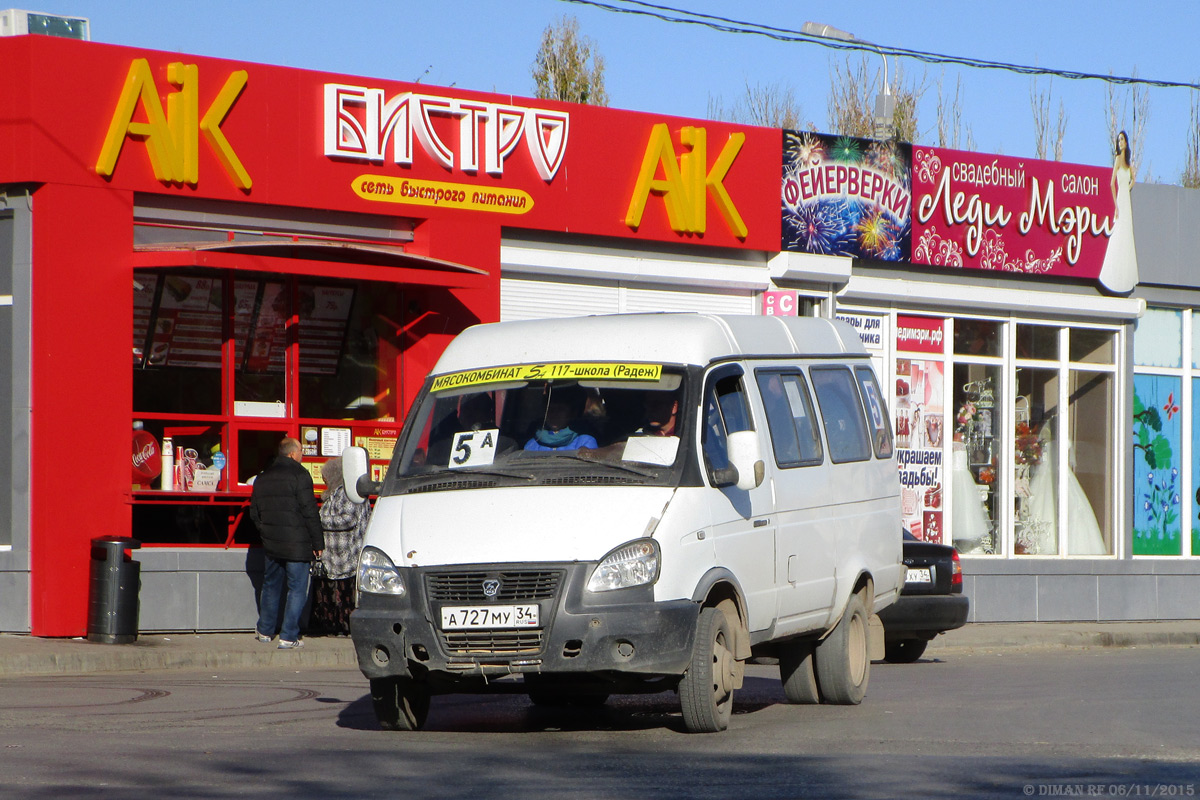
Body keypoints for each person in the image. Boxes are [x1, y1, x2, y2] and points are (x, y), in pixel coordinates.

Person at [250, 437, 324, 649]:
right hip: (297, 544)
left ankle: (265, 631)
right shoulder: (300, 475)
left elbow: (254, 512)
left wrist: (265, 532)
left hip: (272, 544)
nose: (302, 454)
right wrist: (318, 542)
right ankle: (289, 635)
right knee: (297, 588)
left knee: (271, 585)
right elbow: (310, 512)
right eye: (301, 451)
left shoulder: (262, 478)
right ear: (292, 454)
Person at [309, 456, 371, 636]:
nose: (324, 480)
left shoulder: (348, 492)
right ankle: (333, 627)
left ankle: (345, 628)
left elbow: (348, 519)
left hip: (346, 554)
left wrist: (317, 521)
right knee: (331, 593)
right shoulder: (333, 493)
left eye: (326, 475)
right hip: (334, 556)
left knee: (345, 595)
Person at [1097, 129, 1139, 294]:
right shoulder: (1117, 161)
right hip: (1120, 199)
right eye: (1118, 140)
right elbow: (1110, 183)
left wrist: (1128, 188)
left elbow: (1133, 179)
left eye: (1122, 140)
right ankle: (1113, 272)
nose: (1120, 143)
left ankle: (1127, 272)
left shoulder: (1128, 164)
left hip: (1126, 199)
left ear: (1126, 143)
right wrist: (1116, 204)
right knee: (1119, 232)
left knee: (1128, 233)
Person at [524, 394, 598, 451]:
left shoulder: (585, 441)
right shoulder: (532, 444)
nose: (554, 414)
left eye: (560, 409)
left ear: (571, 413)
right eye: (550, 410)